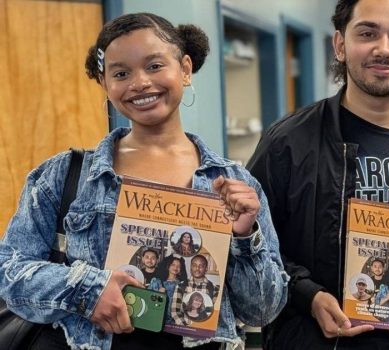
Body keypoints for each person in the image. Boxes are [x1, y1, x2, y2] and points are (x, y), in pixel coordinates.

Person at [0, 13, 288, 350]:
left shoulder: (236, 183)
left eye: (154, 66)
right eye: (121, 73)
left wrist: (243, 236)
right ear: (105, 85)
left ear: (184, 68)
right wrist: (88, 289)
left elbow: (263, 309)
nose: (139, 83)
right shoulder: (63, 176)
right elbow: (9, 274)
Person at [246, 0, 389, 348]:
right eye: (368, 33)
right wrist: (308, 295)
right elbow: (255, 247)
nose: (383, 49)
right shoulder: (286, 143)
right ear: (340, 44)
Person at [171, 255, 218, 326]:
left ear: (206, 269)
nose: (197, 268)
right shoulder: (181, 286)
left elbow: (213, 314)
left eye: (201, 266)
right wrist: (184, 327)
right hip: (182, 328)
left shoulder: (214, 288)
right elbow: (175, 311)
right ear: (190, 268)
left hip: (203, 330)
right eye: (194, 265)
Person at [149, 256, 187, 325]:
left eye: (178, 266)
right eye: (173, 265)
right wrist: (158, 294)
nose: (175, 268)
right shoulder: (156, 282)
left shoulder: (182, 286)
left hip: (173, 322)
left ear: (181, 269)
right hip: (156, 319)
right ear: (168, 266)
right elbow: (147, 300)